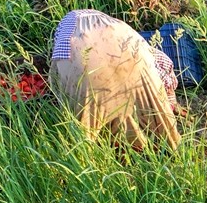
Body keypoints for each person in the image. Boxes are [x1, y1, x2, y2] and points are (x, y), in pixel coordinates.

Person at [51, 10, 181, 150]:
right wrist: (170, 103)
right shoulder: (121, 29)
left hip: (82, 69)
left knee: (91, 120)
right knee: (145, 104)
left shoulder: (65, 40)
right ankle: (162, 147)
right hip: (130, 57)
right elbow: (164, 65)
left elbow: (58, 85)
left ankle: (96, 149)